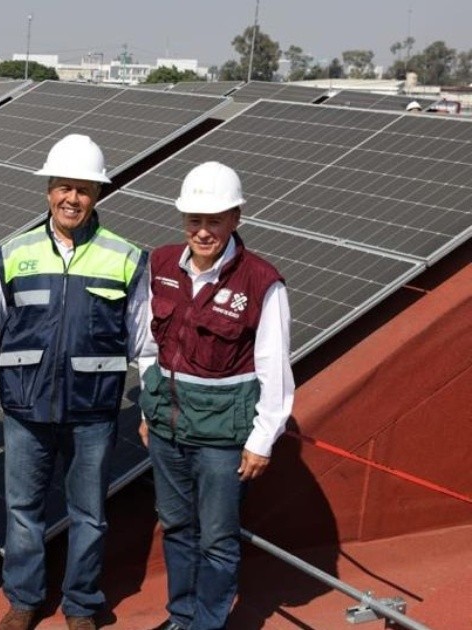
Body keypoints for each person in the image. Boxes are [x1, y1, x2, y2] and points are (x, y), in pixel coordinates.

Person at [0, 135, 149, 630]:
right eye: (63, 187)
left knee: (89, 513)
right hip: (26, 410)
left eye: (83, 189)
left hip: (93, 412)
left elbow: (144, 342)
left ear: (98, 193)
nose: (72, 198)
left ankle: (81, 604)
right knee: (23, 510)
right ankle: (24, 599)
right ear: (48, 190)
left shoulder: (126, 258)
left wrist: (148, 406)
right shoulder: (13, 253)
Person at [136, 162, 294, 630]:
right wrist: (150, 405)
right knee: (177, 529)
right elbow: (148, 345)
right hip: (166, 431)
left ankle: (207, 624)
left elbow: (274, 366)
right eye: (194, 220)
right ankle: (181, 618)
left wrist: (262, 439)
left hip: (222, 441)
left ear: (235, 219)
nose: (203, 231)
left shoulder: (260, 282)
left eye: (215, 220)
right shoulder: (162, 265)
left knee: (218, 540)